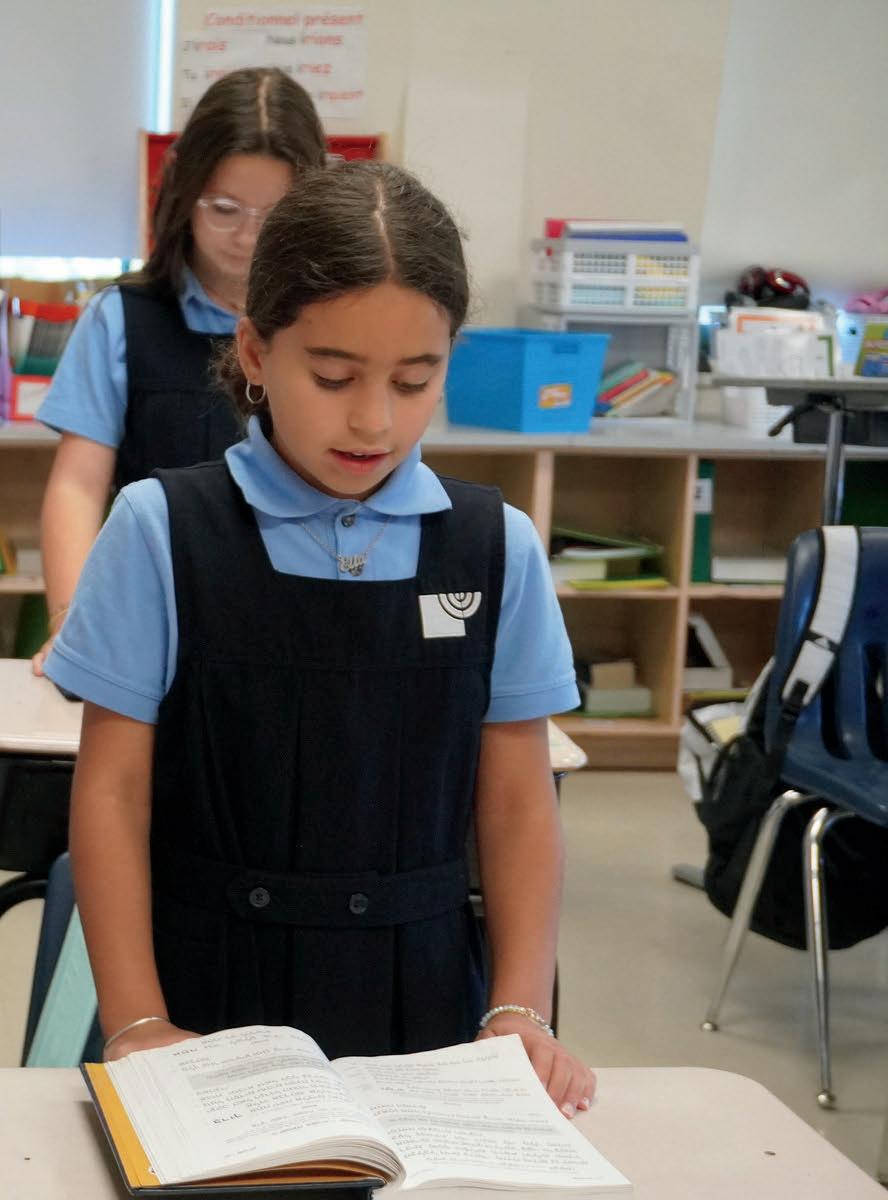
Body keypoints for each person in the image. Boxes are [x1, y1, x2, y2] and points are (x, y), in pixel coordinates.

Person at [47, 162, 596, 1116]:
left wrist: (519, 1009)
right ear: (255, 351)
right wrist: (136, 1020)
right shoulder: (159, 528)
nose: (373, 419)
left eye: (414, 381)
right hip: (204, 998)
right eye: (333, 376)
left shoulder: (494, 545)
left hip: (429, 1002)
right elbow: (112, 792)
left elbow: (516, 802)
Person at [33, 68, 328, 668]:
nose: (247, 237)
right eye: (224, 209)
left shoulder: (331, 322)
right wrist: (71, 623)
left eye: (274, 214)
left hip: (302, 617)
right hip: (153, 615)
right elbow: (77, 486)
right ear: (180, 188)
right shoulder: (121, 318)